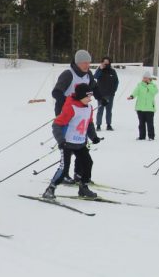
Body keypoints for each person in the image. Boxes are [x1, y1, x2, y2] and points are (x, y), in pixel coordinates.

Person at [43, 83, 102, 200]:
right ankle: (50, 189)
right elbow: (57, 125)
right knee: (64, 168)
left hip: (80, 143)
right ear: (80, 96)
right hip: (67, 143)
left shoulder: (89, 108)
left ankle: (83, 187)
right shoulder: (71, 107)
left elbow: (89, 124)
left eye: (91, 96)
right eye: (88, 97)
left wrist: (93, 137)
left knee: (87, 163)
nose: (90, 99)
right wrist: (60, 140)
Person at [51, 49, 102, 183]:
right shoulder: (68, 74)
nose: (87, 65)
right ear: (78, 63)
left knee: (80, 142)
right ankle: (64, 173)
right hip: (67, 112)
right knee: (68, 144)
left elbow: (94, 87)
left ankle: (79, 173)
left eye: (89, 63)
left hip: (81, 112)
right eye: (84, 63)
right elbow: (56, 92)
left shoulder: (88, 74)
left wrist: (101, 98)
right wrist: (68, 104)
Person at [128, 71, 159, 140]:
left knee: (150, 123)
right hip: (140, 108)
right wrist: (132, 96)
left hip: (150, 108)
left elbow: (154, 92)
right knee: (141, 123)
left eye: (146, 78)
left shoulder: (153, 86)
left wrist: (148, 85)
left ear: (149, 78)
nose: (144, 79)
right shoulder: (139, 85)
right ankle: (142, 136)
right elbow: (135, 92)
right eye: (144, 78)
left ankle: (151, 136)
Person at [93, 56, 118, 131]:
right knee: (100, 110)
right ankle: (98, 125)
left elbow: (116, 82)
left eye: (107, 62)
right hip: (101, 94)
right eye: (104, 62)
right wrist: (100, 69)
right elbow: (95, 76)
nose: (106, 63)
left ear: (109, 63)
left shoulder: (113, 71)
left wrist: (114, 91)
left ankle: (109, 125)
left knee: (109, 110)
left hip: (110, 94)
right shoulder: (99, 70)